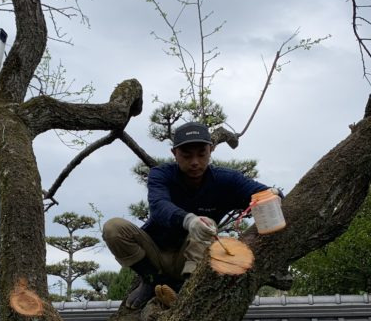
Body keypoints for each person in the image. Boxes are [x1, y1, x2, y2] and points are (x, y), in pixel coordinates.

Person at [102, 121, 276, 308]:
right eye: (186, 155)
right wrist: (189, 220)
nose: (195, 162)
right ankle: (151, 280)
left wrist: (274, 195)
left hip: (192, 258)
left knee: (207, 223)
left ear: (211, 150)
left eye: (201, 154)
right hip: (155, 253)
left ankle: (188, 287)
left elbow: (264, 193)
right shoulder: (161, 175)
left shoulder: (226, 180)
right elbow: (159, 205)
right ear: (174, 153)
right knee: (113, 228)